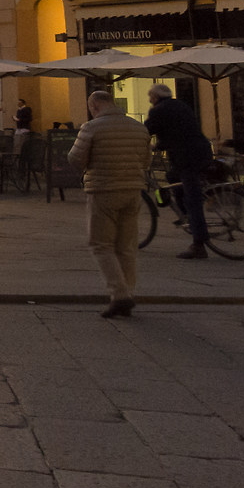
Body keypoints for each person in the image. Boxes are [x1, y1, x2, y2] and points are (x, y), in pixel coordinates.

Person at [70, 89, 153, 319]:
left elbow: (75, 158)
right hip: (133, 189)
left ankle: (120, 294)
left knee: (100, 244)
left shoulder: (91, 127)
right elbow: (147, 160)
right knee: (126, 246)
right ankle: (128, 292)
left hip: (103, 189)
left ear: (94, 106)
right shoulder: (138, 127)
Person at [143, 87, 214, 258]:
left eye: (150, 97)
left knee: (192, 199)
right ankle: (186, 215)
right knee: (172, 177)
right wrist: (159, 145)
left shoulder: (158, 110)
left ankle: (198, 245)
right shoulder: (181, 105)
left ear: (156, 97)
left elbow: (145, 131)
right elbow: (177, 132)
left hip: (187, 157)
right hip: (202, 151)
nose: (150, 101)